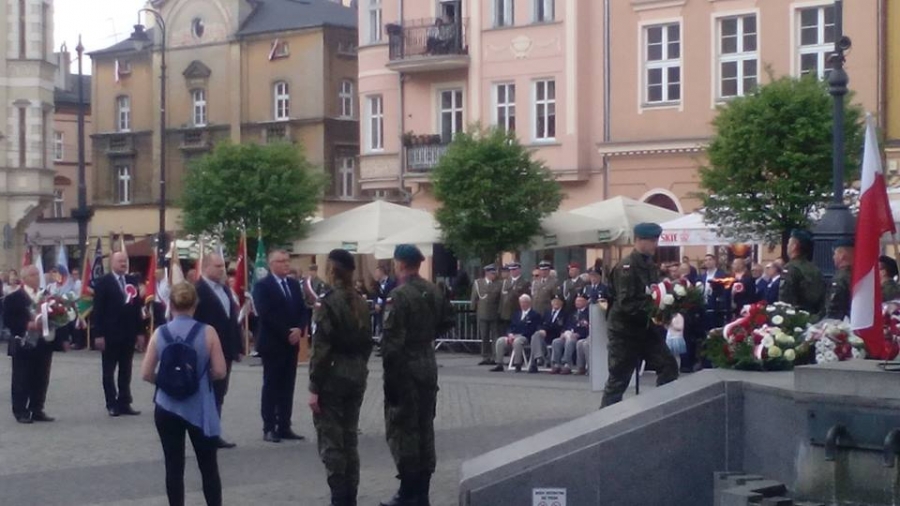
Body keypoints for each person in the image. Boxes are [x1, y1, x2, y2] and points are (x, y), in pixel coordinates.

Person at [380, 244, 453, 506]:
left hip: (405, 368)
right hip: (427, 364)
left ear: (400, 263)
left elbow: (391, 343)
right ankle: (422, 491)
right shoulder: (433, 290)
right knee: (425, 427)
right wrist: (426, 334)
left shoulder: (398, 295)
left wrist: (390, 381)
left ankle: (408, 491)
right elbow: (448, 321)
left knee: (403, 428)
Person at [140, 282, 226, 506]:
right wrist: (200, 378)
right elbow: (220, 371)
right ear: (195, 304)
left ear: (170, 304)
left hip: (167, 406)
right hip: (199, 406)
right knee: (208, 466)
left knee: (173, 466)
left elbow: (146, 373)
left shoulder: (160, 332)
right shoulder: (208, 332)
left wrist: (167, 382)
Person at [308, 249, 373, 506]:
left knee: (332, 440)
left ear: (331, 270)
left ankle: (339, 498)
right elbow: (367, 342)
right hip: (356, 372)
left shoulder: (327, 302)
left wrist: (314, 386)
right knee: (349, 439)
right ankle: (350, 496)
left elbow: (321, 348)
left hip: (333, 375)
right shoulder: (360, 302)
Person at [601, 223, 679, 408]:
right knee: (619, 378)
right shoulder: (626, 267)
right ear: (638, 240)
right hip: (624, 331)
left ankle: (662, 409)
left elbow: (654, 293)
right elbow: (627, 303)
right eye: (651, 240)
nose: (655, 244)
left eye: (656, 240)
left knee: (668, 366)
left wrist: (666, 307)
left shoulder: (649, 265)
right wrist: (655, 310)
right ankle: (604, 419)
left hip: (644, 328)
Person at [252, 250, 309, 443]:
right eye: (281, 261)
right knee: (271, 385)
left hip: (292, 344)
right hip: (273, 343)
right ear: (271, 264)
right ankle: (269, 427)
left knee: (287, 385)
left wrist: (299, 329)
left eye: (287, 260)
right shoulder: (263, 286)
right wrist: (286, 333)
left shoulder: (293, 284)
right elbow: (266, 314)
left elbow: (302, 310)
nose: (286, 264)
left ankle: (285, 425)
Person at [193, 253, 243, 449]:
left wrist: (237, 345)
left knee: (220, 392)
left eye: (223, 266)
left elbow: (231, 320)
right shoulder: (198, 290)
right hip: (206, 350)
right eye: (218, 266)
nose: (222, 270)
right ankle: (203, 434)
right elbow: (194, 322)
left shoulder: (225, 289)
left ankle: (214, 432)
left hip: (225, 350)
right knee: (206, 393)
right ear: (206, 267)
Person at [93, 251, 145, 417]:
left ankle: (124, 402)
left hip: (128, 333)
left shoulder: (132, 281)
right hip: (109, 335)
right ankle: (111, 403)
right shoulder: (103, 282)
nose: (123, 264)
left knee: (126, 370)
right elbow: (98, 311)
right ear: (112, 263)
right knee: (109, 371)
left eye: (125, 261)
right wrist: (98, 334)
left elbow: (137, 308)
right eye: (120, 261)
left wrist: (140, 332)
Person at [5, 266, 56, 423]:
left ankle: (37, 408)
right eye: (33, 275)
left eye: (37, 274)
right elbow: (8, 320)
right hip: (23, 343)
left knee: (41, 377)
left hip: (43, 342)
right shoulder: (14, 297)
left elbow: (55, 316)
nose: (37, 277)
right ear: (24, 278)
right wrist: (26, 325)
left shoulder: (46, 296)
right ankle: (20, 411)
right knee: (21, 378)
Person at [779, 229, 826, 317]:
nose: (787, 246)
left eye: (789, 243)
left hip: (796, 318)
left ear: (794, 246)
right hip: (813, 316)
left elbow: (785, 299)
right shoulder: (815, 269)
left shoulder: (791, 268)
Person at [491, 294, 542, 373]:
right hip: (513, 335)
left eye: (524, 302)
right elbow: (511, 326)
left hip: (525, 337)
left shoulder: (535, 315)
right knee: (500, 341)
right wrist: (510, 334)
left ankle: (518, 364)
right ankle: (499, 364)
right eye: (521, 302)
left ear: (529, 303)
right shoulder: (516, 314)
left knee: (517, 341)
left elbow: (532, 329)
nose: (522, 304)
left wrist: (517, 336)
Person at [550, 293, 590, 375]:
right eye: (576, 301)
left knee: (570, 341)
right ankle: (556, 364)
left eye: (580, 301)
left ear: (586, 302)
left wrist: (579, 334)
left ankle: (567, 364)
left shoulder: (588, 313)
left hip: (580, 336)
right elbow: (566, 325)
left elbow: (588, 328)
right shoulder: (572, 313)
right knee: (556, 341)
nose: (577, 303)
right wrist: (563, 333)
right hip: (568, 335)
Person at [471, 264, 501, 366]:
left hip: (494, 314)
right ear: (487, 273)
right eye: (492, 273)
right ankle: (485, 356)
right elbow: (474, 298)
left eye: (494, 273)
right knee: (484, 336)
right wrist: (472, 311)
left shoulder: (499, 284)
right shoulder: (478, 283)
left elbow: (500, 299)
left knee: (495, 336)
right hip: (482, 313)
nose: (494, 275)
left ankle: (495, 357)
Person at [527, 295, 566, 373]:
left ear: (561, 303)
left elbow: (561, 327)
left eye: (557, 301)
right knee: (536, 335)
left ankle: (535, 362)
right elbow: (540, 323)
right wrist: (541, 329)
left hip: (556, 336)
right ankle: (539, 357)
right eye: (554, 301)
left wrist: (545, 329)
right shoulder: (547, 312)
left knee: (536, 340)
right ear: (551, 303)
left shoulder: (565, 314)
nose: (555, 303)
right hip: (545, 336)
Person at [499, 262, 530, 337]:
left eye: (514, 269)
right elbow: (502, 297)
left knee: (515, 334)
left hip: (517, 312)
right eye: (511, 270)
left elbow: (527, 298)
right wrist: (500, 311)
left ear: (519, 270)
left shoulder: (524, 282)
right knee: (505, 335)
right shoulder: (505, 282)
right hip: (505, 313)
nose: (512, 271)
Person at [826, 239, 854, 320]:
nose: (833, 257)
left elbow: (833, 308)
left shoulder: (840, 278)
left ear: (842, 255)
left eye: (835, 254)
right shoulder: (857, 276)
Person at [373, 265, 396, 337]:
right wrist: (375, 304)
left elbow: (390, 297)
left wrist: (381, 304)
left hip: (387, 310)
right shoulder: (377, 284)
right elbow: (375, 296)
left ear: (381, 272)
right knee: (379, 327)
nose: (375, 274)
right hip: (378, 310)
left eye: (376, 272)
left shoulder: (391, 283)